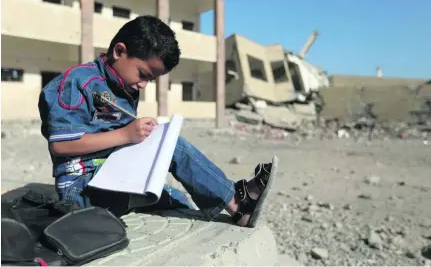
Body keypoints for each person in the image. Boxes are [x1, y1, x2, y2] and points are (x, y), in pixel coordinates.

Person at [38, 15, 277, 228]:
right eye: (143, 74)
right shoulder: (78, 82)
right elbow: (61, 145)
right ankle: (238, 204)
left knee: (177, 197)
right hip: (81, 190)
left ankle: (233, 199)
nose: (143, 84)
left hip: (110, 178)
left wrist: (140, 135)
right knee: (173, 146)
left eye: (149, 80)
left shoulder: (123, 84)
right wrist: (126, 135)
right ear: (119, 51)